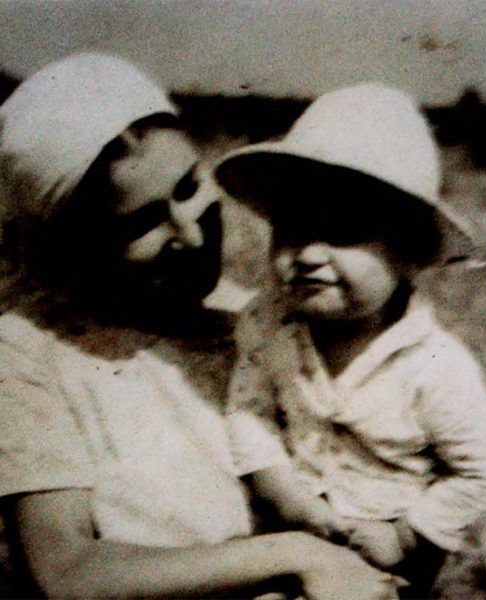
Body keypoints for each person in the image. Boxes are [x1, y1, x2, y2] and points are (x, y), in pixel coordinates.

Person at [0, 54, 397, 599]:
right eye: (142, 222)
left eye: (189, 187)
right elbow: (67, 572)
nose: (189, 235)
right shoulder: (29, 352)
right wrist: (296, 556)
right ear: (75, 247)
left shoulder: (271, 322)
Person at [214, 83, 486, 598]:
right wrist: (281, 489)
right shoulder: (269, 324)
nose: (306, 254)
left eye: (343, 230)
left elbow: (483, 470)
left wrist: (407, 534)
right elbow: (248, 407)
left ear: (409, 251)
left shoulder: (434, 366)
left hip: (388, 563)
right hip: (284, 536)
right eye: (291, 229)